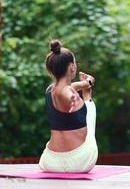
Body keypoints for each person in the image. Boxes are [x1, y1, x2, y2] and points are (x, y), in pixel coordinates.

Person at [39, 39, 98, 173]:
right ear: (72, 67)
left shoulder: (50, 90)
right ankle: (88, 98)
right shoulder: (67, 92)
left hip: (49, 162)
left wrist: (87, 83)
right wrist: (75, 97)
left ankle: (87, 95)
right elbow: (66, 91)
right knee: (89, 112)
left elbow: (69, 87)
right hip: (80, 162)